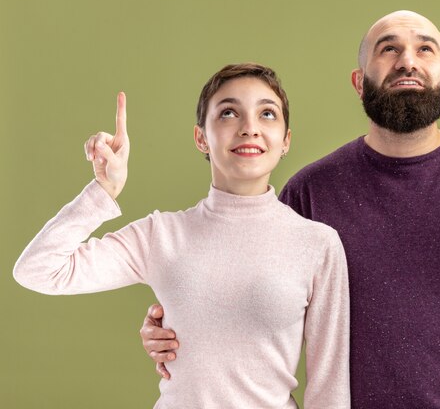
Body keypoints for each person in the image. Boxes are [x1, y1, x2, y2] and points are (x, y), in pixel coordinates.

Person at [141, 11, 440, 408]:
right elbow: (251, 306)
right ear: (358, 82)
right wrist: (177, 323)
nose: (408, 59)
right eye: (388, 49)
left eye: (426, 49)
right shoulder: (310, 193)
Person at [13, 63, 350, 408]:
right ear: (201, 138)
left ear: (286, 141)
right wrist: (103, 189)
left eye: (266, 114)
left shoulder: (317, 244)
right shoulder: (161, 235)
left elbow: (330, 388)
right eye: (229, 113)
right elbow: (38, 270)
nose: (249, 128)